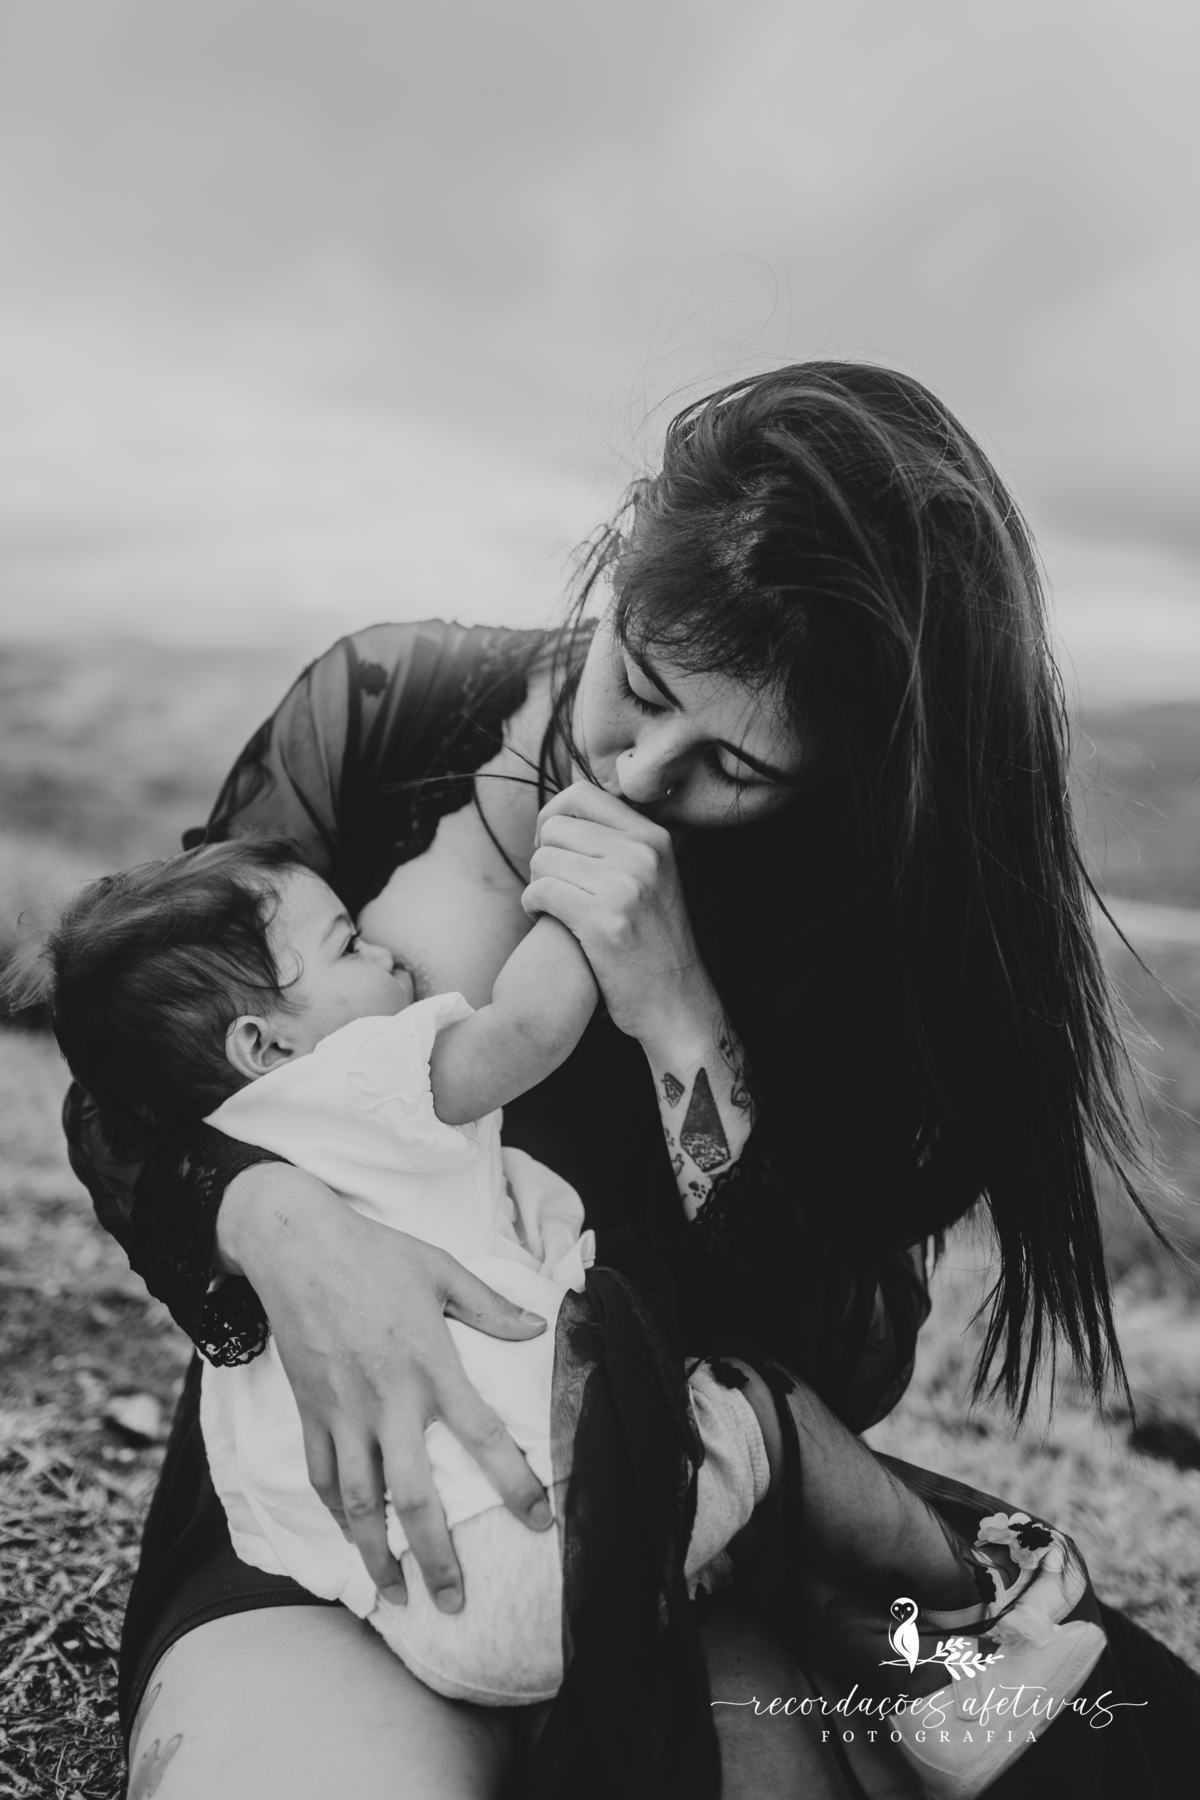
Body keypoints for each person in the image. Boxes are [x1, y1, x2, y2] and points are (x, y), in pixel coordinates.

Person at [59, 361, 1198, 1799]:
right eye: (639, 687)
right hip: (350, 1496)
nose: (649, 771)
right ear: (616, 569)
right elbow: (130, 1073)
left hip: (704, 1525)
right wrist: (271, 1223)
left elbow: (844, 1357)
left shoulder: (862, 924)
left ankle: (970, 1633)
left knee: (1103, 1756)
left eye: (734, 763)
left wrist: (682, 1019)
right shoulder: (388, 714)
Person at [34, 838, 1062, 1770]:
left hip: (417, 1598)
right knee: (764, 1417)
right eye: (349, 946)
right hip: (545, 1551)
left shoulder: (252, 1112)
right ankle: (973, 1603)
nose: (389, 955)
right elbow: (528, 1024)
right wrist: (591, 906)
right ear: (264, 1045)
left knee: (757, 1543)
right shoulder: (355, 1079)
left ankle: (907, 1671)